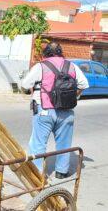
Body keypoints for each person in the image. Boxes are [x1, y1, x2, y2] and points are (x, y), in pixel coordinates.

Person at [21, 42, 89, 179]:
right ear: (60, 52)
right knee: (64, 143)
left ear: (45, 53)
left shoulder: (41, 66)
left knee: (38, 143)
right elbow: (84, 84)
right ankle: (61, 172)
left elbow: (24, 85)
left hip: (44, 110)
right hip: (66, 111)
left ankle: (37, 174)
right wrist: (74, 96)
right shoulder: (72, 66)